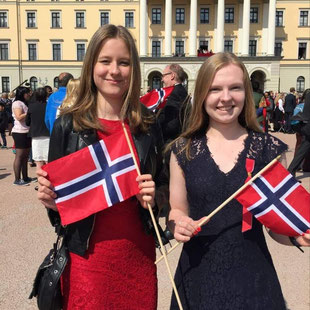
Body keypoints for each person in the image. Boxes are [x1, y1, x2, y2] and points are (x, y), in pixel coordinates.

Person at [36, 24, 167, 309]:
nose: (114, 71)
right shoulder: (67, 126)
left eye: (123, 62)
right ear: (91, 65)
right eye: (105, 61)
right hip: (87, 259)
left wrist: (155, 196)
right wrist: (52, 203)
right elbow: (60, 208)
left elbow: (165, 188)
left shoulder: (147, 125)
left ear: (134, 68)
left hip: (138, 257)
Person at [167, 53, 310, 310]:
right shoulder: (183, 150)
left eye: (235, 87)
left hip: (253, 281)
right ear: (201, 94)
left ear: (246, 91)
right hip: (197, 277)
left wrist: (297, 237)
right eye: (214, 89)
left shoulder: (267, 150)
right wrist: (178, 224)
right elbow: (177, 209)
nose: (225, 97)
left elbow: (274, 224)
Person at [11, 86, 36, 186]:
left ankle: (25, 177)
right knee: (19, 156)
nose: (28, 95)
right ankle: (17, 179)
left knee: (25, 156)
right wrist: (29, 112)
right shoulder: (17, 103)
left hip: (26, 131)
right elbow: (19, 116)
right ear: (22, 94)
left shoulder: (24, 103)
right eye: (27, 93)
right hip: (19, 132)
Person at [159, 64, 189, 143]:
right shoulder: (182, 90)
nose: (162, 80)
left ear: (172, 76)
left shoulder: (173, 93)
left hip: (170, 142)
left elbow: (171, 123)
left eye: (164, 76)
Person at [26, 88, 50, 170]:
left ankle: (41, 181)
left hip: (36, 135)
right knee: (48, 161)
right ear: (46, 96)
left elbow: (27, 122)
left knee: (38, 162)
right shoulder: (48, 105)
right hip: (48, 134)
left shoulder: (31, 106)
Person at [288, 91, 310, 177]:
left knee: (303, 149)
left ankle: (291, 170)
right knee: (303, 148)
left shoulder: (308, 94)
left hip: (306, 126)